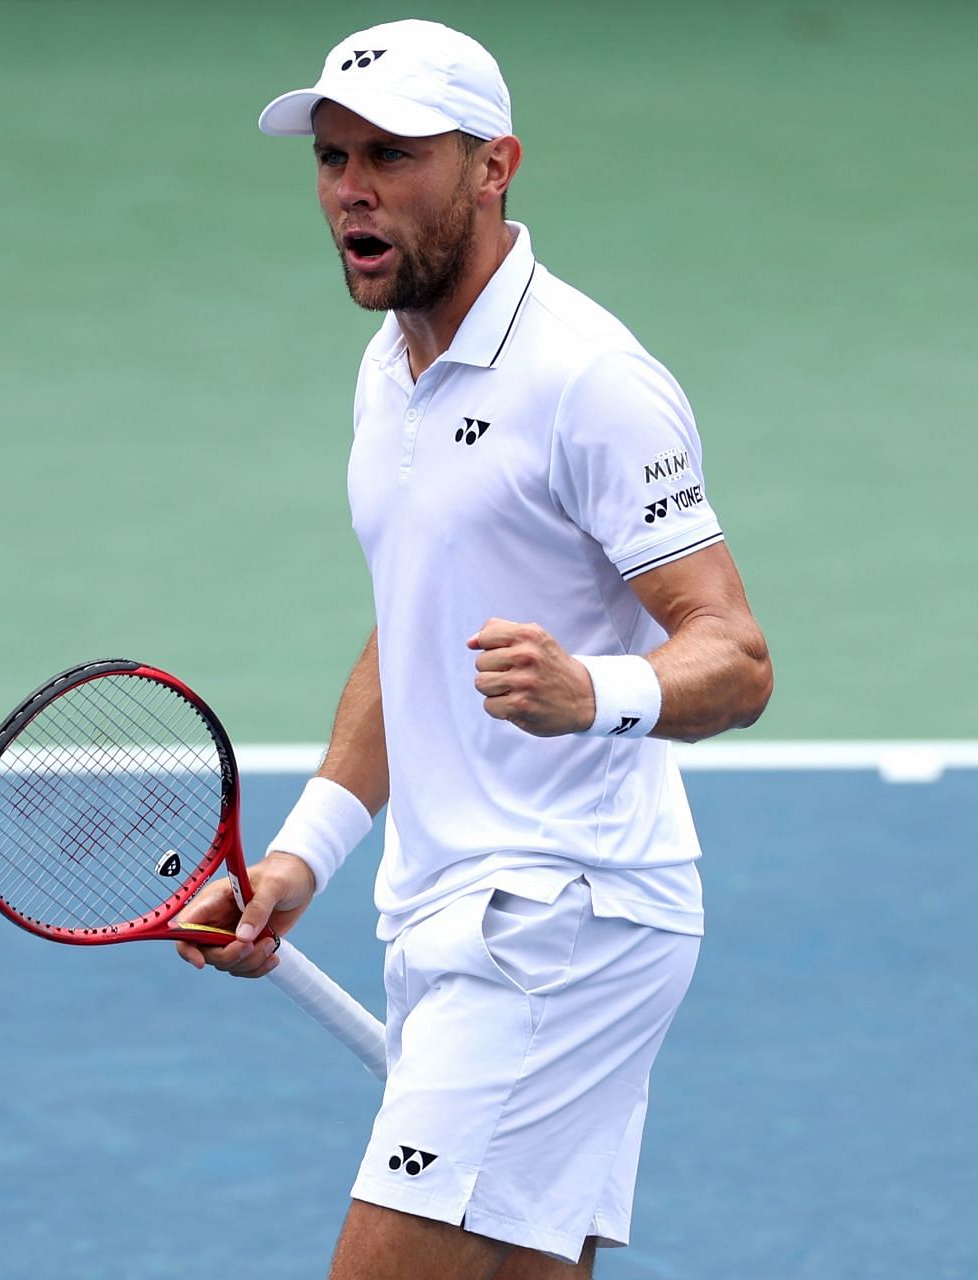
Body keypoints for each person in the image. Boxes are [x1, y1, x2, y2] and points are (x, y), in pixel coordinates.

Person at [173, 19, 773, 1280]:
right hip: (448, 914)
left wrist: (590, 691)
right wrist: (303, 854)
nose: (352, 190)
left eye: (393, 156)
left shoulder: (590, 379)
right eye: (333, 158)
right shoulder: (389, 371)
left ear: (495, 165)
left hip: (561, 920)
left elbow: (734, 653)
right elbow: (412, 630)